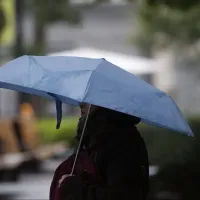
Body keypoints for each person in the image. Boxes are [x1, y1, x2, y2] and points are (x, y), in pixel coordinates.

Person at [51, 103, 149, 200]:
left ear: (106, 101)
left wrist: (74, 187)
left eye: (90, 100)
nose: (81, 104)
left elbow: (122, 195)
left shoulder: (122, 141)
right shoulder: (92, 135)